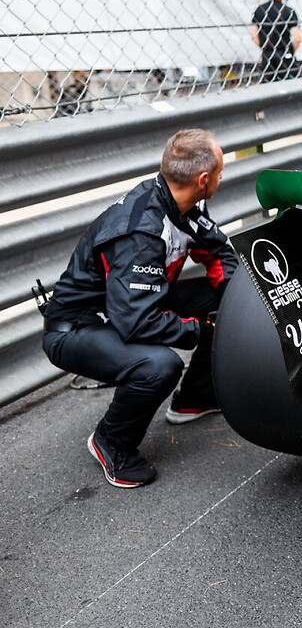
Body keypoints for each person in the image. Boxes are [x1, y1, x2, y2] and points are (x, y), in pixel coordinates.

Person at [40, 130, 238, 488]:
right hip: (79, 327)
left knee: (226, 301)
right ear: (203, 179)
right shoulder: (139, 233)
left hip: (134, 306)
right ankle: (111, 441)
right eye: (221, 172)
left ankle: (194, 399)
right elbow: (138, 324)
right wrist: (205, 331)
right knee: (160, 365)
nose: (223, 178)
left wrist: (233, 303)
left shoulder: (186, 202)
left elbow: (220, 251)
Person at [251, 0, 301, 83]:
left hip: (267, 54)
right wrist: (290, 51)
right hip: (285, 54)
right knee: (289, 83)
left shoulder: (260, 10)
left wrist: (263, 46)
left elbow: (253, 34)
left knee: (267, 85)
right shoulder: (289, 11)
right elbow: (297, 38)